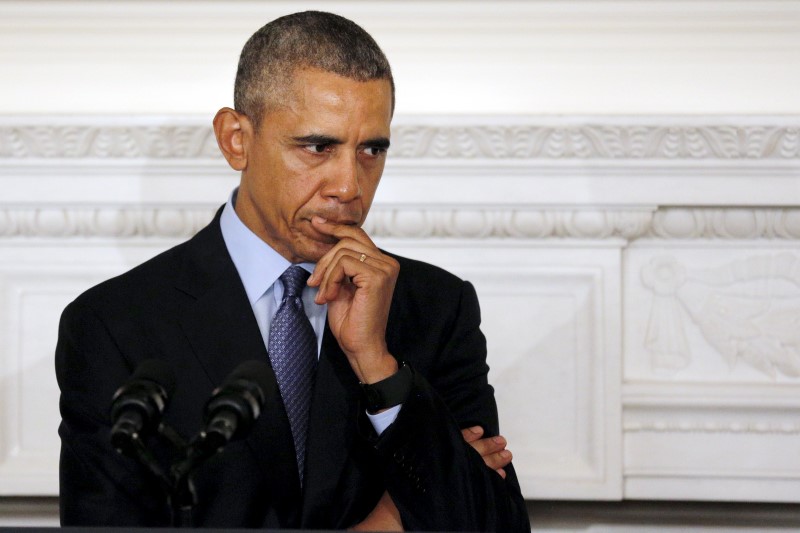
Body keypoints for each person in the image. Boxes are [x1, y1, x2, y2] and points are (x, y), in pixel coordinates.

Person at [56, 10, 529, 531]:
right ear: (236, 139)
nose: (349, 185)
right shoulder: (113, 324)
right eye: (318, 147)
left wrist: (377, 365)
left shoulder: (437, 306)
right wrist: (386, 524)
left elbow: (498, 525)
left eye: (371, 149)